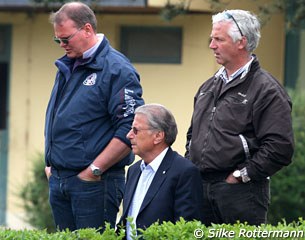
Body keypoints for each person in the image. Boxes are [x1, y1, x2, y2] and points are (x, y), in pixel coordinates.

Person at [185, 9, 294, 226]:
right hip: (201, 190)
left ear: (241, 42)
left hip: (241, 194)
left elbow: (280, 147)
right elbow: (193, 135)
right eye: (212, 39)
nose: (211, 45)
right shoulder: (207, 87)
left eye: (218, 39)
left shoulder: (267, 89)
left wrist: (240, 176)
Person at [44, 2, 144, 231]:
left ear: (87, 29)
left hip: (95, 183)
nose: (62, 45)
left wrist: (94, 171)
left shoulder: (117, 69)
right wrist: (50, 167)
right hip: (60, 179)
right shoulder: (69, 64)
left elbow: (129, 127)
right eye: (57, 40)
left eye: (66, 39)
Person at [118, 104, 204, 240]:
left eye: (136, 130)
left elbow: (188, 229)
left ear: (158, 136)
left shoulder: (184, 171)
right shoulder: (133, 171)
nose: (128, 135)